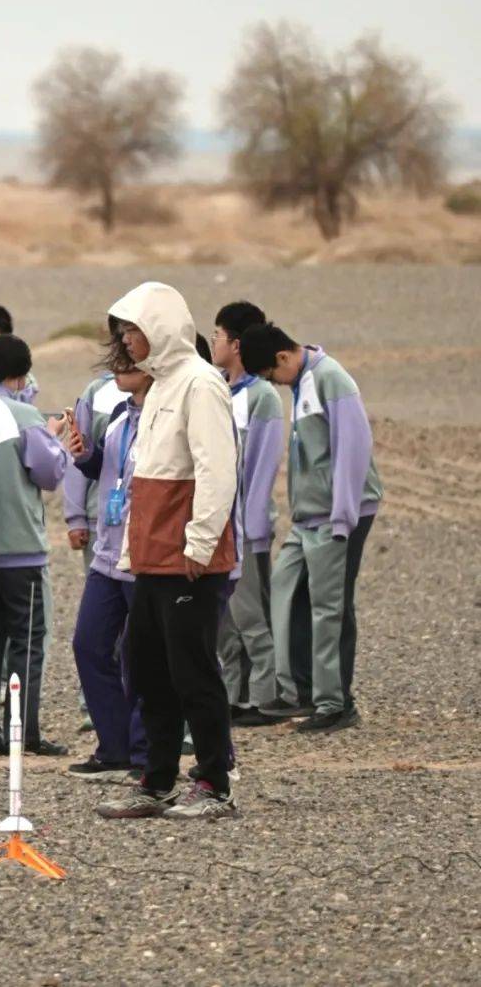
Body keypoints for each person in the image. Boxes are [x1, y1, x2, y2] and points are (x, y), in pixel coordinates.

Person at [94, 282, 239, 821]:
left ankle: (214, 784)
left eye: (133, 330)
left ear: (159, 327)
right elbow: (143, 479)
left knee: (193, 672)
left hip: (188, 561)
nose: (127, 341)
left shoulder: (201, 384)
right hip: (152, 559)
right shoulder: (157, 386)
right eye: (124, 332)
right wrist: (133, 550)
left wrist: (200, 543)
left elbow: (215, 470)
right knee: (147, 670)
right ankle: (156, 782)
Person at [240, 322, 382, 733]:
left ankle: (334, 703)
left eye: (271, 375)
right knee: (286, 592)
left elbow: (354, 448)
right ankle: (300, 690)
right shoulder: (302, 381)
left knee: (328, 607)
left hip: (337, 517)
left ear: (283, 357)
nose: (275, 384)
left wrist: (342, 516)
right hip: (308, 519)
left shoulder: (330, 378)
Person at [0, 335, 68, 757]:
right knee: (26, 641)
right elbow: (49, 473)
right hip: (18, 547)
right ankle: (23, 734)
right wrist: (54, 436)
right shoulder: (23, 413)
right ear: (19, 375)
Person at [65, 344, 149, 782]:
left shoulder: (165, 416)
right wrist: (83, 454)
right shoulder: (119, 413)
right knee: (89, 643)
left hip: (145, 554)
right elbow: (106, 468)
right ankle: (114, 745)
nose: (119, 367)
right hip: (107, 551)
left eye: (129, 361)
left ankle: (142, 750)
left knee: (141, 656)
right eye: (116, 359)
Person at [209, 302, 285, 727]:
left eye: (217, 336)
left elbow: (261, 466)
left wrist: (251, 527)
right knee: (226, 621)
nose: (214, 343)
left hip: (245, 530)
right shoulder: (217, 389)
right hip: (217, 527)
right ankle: (233, 696)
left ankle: (264, 699)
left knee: (252, 616)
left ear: (236, 344)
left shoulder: (263, 397)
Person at [62, 366, 128, 731]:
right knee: (101, 621)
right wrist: (75, 516)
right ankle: (95, 704)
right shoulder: (97, 392)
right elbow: (78, 452)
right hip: (100, 521)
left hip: (144, 529)